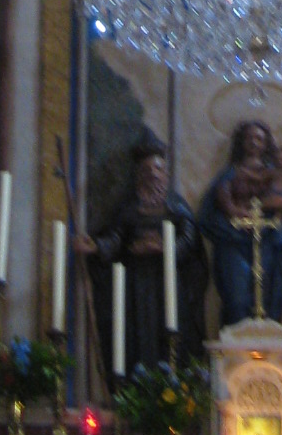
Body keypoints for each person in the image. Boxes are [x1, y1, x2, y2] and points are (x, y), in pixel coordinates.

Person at [77, 131, 206, 370]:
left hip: (169, 282)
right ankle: (140, 378)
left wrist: (164, 247)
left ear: (165, 174)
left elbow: (190, 240)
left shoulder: (176, 206)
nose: (153, 175)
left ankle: (176, 377)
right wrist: (97, 246)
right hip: (137, 283)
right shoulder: (129, 207)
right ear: (138, 175)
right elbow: (116, 238)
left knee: (173, 329)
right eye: (147, 170)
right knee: (140, 331)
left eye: (158, 169)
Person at [199, 120, 282, 326]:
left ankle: (269, 340)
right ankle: (236, 340)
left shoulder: (277, 173)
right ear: (241, 142)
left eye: (259, 138)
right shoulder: (230, 174)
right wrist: (237, 215)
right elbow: (216, 206)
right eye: (248, 137)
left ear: (267, 143)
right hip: (234, 242)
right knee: (237, 297)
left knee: (268, 295)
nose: (253, 142)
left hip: (268, 241)